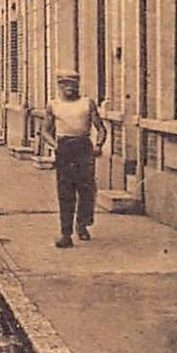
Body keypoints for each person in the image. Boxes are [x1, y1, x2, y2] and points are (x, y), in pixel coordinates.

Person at [41, 70, 106, 248]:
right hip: (65, 148)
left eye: (72, 83)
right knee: (65, 192)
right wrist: (55, 145)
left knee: (87, 190)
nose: (69, 87)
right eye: (64, 84)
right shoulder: (53, 105)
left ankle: (82, 224)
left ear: (78, 85)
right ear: (59, 86)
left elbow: (101, 128)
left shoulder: (87, 103)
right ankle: (66, 234)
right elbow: (45, 131)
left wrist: (99, 145)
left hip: (84, 148)